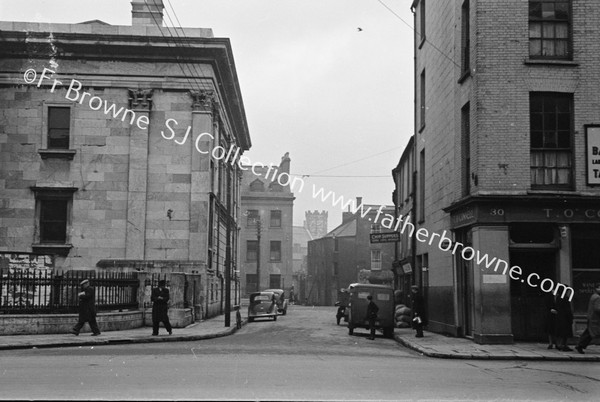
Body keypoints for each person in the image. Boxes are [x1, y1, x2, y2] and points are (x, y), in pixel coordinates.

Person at [576, 284, 600, 354]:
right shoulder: (597, 297)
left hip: (592, 318)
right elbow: (597, 308)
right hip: (595, 319)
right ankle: (580, 345)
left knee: (589, 333)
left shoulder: (594, 296)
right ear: (597, 288)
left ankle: (580, 345)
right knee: (590, 333)